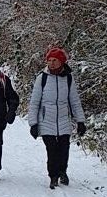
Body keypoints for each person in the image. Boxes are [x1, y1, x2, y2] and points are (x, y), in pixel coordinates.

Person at [27, 45, 87, 188]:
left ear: (62, 62)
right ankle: (53, 175)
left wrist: (80, 121)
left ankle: (62, 172)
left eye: (55, 60)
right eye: (49, 60)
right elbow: (34, 102)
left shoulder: (68, 78)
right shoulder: (42, 78)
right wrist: (33, 123)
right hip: (46, 121)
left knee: (64, 149)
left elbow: (74, 101)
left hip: (64, 120)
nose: (51, 63)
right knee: (52, 150)